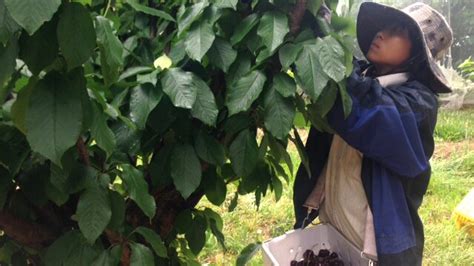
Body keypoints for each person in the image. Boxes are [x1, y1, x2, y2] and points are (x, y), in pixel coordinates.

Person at [293, 2, 453, 265]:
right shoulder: (363, 76)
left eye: (396, 31)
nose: (381, 33)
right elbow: (344, 77)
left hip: (373, 249)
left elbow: (361, 109)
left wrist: (323, 35)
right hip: (332, 227)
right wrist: (313, 22)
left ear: (417, 55)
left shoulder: (418, 104)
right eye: (383, 27)